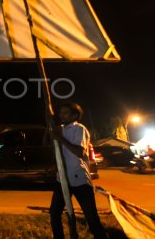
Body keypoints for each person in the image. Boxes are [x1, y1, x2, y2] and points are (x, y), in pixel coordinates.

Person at [50, 102, 108, 239]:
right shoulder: (60, 129)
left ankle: (101, 236)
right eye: (61, 113)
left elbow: (79, 152)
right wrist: (51, 130)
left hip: (79, 179)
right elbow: (49, 144)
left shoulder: (79, 129)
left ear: (75, 115)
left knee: (91, 217)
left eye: (65, 113)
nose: (61, 115)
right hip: (62, 179)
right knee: (54, 212)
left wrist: (60, 138)